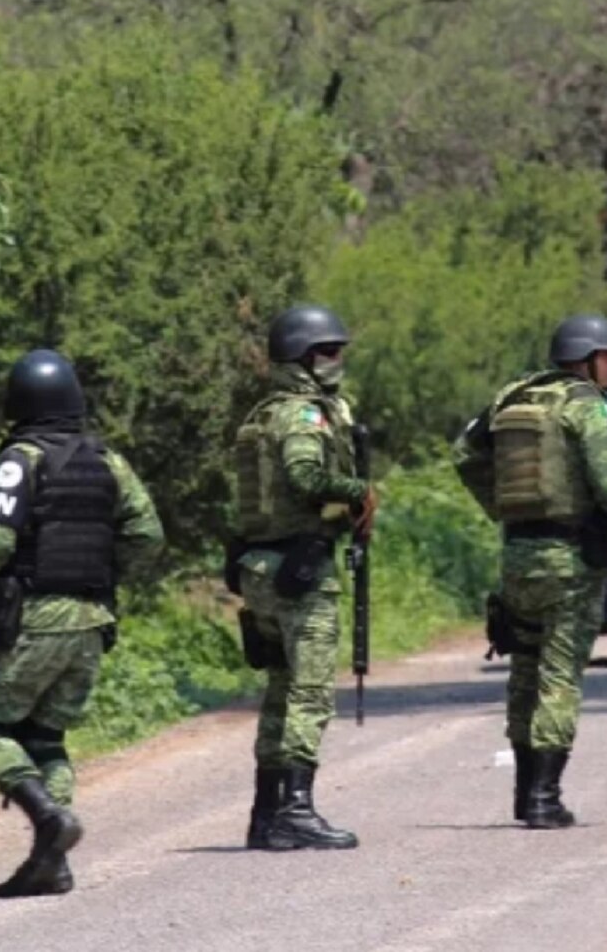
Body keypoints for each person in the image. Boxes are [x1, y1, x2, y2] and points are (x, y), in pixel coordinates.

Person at [0, 349, 165, 898]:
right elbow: (148, 535)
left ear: (20, 404)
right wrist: (107, 579)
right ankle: (50, 863)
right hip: (91, 619)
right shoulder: (109, 462)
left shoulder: (20, 459)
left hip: (32, 617)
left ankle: (46, 819)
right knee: (46, 738)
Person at [452, 314, 607, 829]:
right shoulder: (584, 407)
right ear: (586, 359)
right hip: (570, 560)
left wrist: (501, 507)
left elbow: (464, 454)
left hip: (518, 556)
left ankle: (525, 793)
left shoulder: (512, 397)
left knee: (524, 671)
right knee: (559, 676)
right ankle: (545, 798)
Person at [229, 305, 374, 851]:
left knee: (280, 691)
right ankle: (294, 809)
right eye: (329, 352)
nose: (338, 362)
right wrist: (359, 493)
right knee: (309, 694)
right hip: (301, 569)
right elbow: (305, 475)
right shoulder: (304, 416)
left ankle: (266, 816)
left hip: (260, 567)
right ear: (304, 359)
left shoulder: (261, 415)